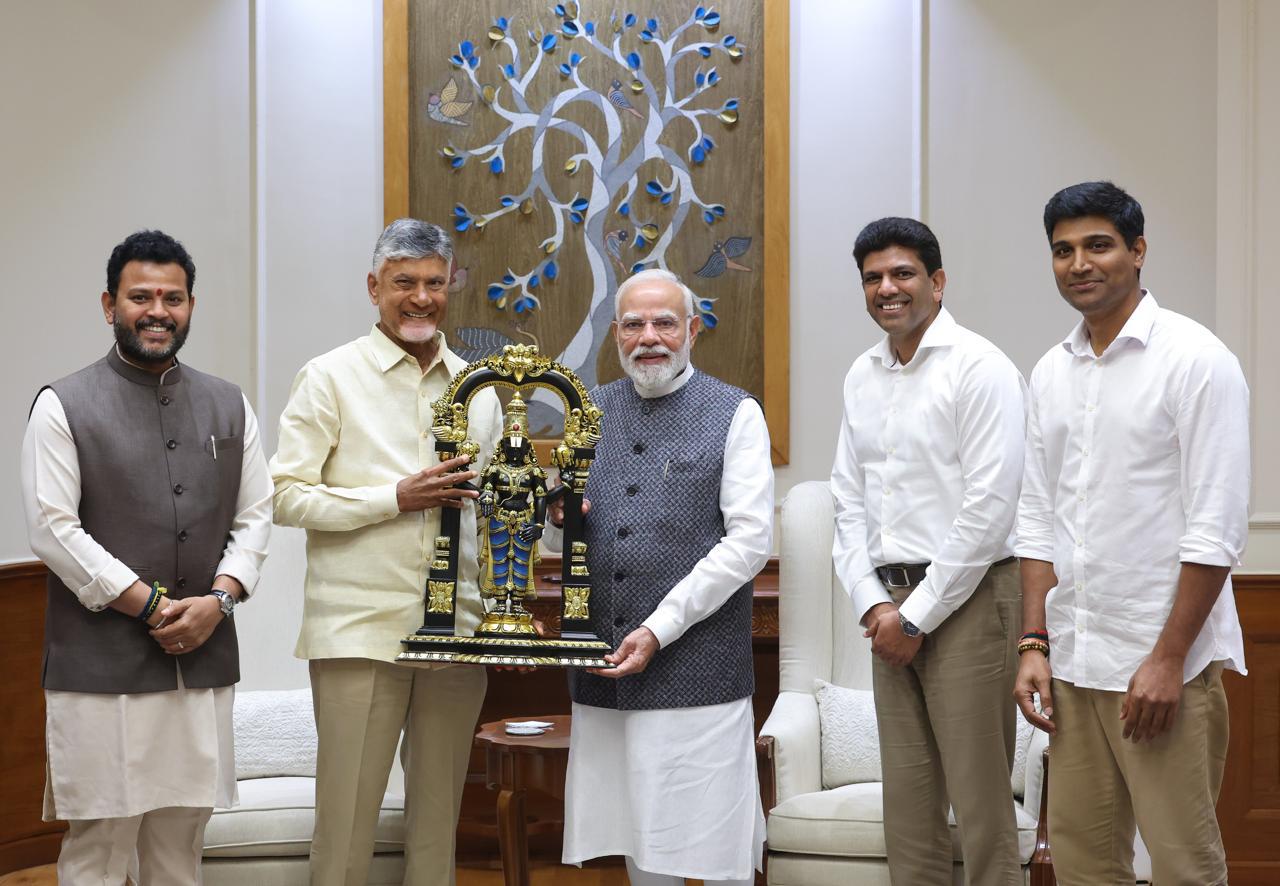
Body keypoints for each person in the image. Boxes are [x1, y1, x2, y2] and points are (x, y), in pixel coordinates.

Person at [1014, 181, 1249, 885]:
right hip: (1074, 663)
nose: (1079, 264)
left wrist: (1168, 660)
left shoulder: (1196, 360)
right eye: (1063, 251)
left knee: (1182, 865)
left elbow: (1215, 528)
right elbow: (1037, 518)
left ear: (1138, 251)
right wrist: (1034, 644)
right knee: (1085, 866)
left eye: (1098, 245)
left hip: (1162, 666)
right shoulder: (1051, 371)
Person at [21, 229, 272, 884]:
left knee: (180, 843)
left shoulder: (229, 403)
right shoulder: (62, 405)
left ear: (190, 306)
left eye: (173, 298)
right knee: (99, 846)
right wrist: (153, 605)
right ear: (110, 305)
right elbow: (53, 529)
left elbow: (255, 516)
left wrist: (220, 601)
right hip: (97, 667)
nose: (158, 311)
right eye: (140, 297)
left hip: (201, 659)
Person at [270, 218, 501, 886]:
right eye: (404, 282)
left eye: (434, 282)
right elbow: (285, 496)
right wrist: (394, 497)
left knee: (437, 832)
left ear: (450, 285)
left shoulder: (481, 388)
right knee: (346, 829)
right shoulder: (329, 377)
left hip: (457, 638)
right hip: (359, 634)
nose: (421, 297)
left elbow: (491, 513)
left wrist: (554, 521)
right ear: (374, 288)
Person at [545, 268, 773, 885]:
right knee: (638, 844)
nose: (649, 337)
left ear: (692, 330)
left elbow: (750, 543)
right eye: (634, 324)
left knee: (715, 848)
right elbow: (561, 532)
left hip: (699, 671)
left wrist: (659, 627)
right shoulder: (589, 410)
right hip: (605, 668)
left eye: (665, 323)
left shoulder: (735, 412)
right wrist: (559, 515)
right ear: (616, 334)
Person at [830, 217, 1026, 884]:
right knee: (909, 808)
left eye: (902, 273)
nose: (887, 288)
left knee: (981, 805)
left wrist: (916, 618)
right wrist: (874, 605)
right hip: (888, 606)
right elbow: (846, 499)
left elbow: (990, 508)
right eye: (873, 278)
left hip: (972, 600)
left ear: (937, 283)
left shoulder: (980, 367)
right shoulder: (862, 374)